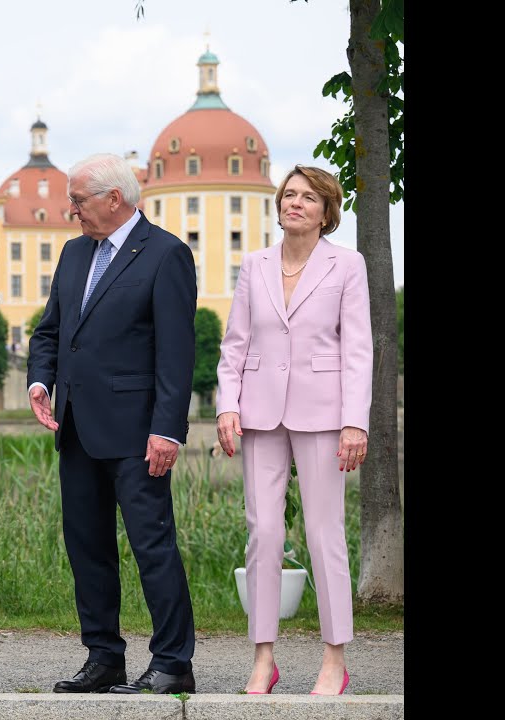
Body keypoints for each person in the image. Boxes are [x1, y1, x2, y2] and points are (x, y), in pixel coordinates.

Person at [27, 153, 199, 695]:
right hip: (76, 427)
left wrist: (167, 429)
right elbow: (50, 330)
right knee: (87, 546)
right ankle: (104, 657)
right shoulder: (75, 253)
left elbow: (176, 351)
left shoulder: (166, 253)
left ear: (113, 199)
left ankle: (173, 663)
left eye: (77, 200)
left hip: (137, 432)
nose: (70, 209)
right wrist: (40, 380)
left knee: (153, 548)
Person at [215, 165, 371, 696]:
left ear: (327, 211)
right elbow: (235, 344)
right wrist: (226, 406)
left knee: (325, 534)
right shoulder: (254, 264)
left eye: (307, 197)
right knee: (263, 533)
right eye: (288, 195)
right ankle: (263, 659)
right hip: (259, 413)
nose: (294, 203)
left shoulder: (347, 265)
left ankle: (334, 659)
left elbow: (357, 349)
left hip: (326, 415)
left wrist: (355, 421)